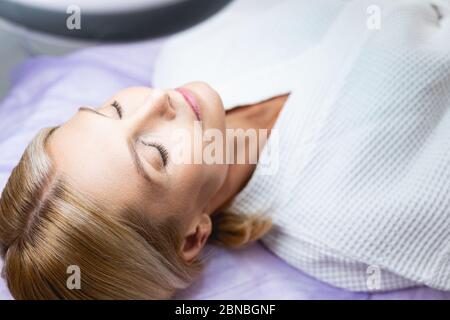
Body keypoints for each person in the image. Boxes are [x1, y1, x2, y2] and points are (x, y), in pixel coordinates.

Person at [1, 0, 450, 299]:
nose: (159, 100)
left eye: (114, 109)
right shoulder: (356, 223)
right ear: (193, 236)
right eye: (157, 154)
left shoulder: (189, 47)